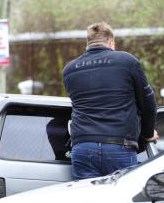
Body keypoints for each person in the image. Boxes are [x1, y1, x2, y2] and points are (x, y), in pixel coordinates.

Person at [63, 22, 158, 180]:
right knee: (122, 201)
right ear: (111, 42)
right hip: (118, 147)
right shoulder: (127, 61)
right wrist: (147, 133)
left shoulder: (69, 69)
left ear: (88, 43)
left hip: (82, 148)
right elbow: (148, 102)